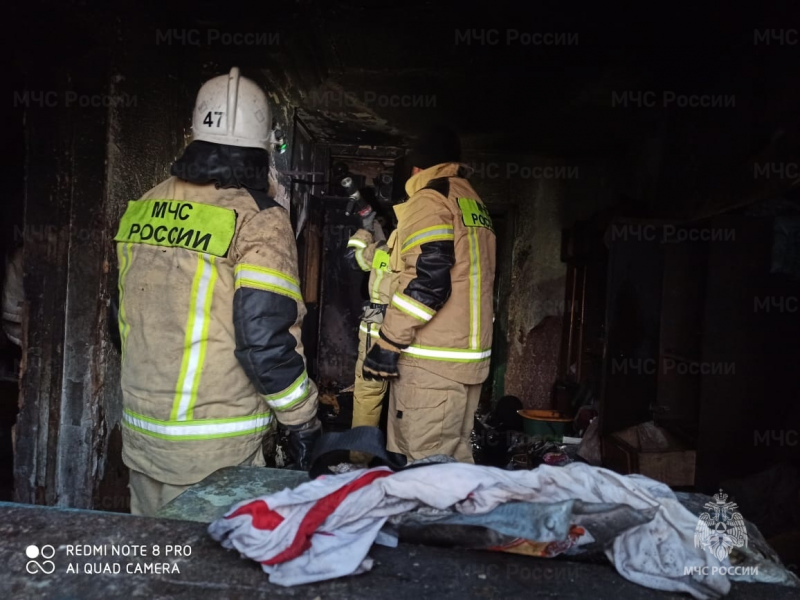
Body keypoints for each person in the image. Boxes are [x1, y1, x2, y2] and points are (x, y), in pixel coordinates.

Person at [114, 67, 320, 516]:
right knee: (209, 559)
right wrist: (302, 418)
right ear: (262, 147)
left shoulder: (145, 205)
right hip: (216, 451)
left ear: (194, 133)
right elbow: (264, 338)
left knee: (152, 556)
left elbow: (121, 317)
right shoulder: (258, 218)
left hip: (143, 437)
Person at [362, 126, 496, 463]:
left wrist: (389, 342)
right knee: (454, 465)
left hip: (432, 364)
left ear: (416, 169)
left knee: (423, 469)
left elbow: (429, 280)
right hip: (466, 361)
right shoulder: (472, 201)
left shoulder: (430, 200)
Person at [344, 202, 395, 462]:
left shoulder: (383, 249)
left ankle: (360, 463)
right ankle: (398, 464)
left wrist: (365, 230)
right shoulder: (416, 248)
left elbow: (351, 260)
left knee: (368, 397)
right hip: (408, 331)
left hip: (377, 332)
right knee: (405, 400)